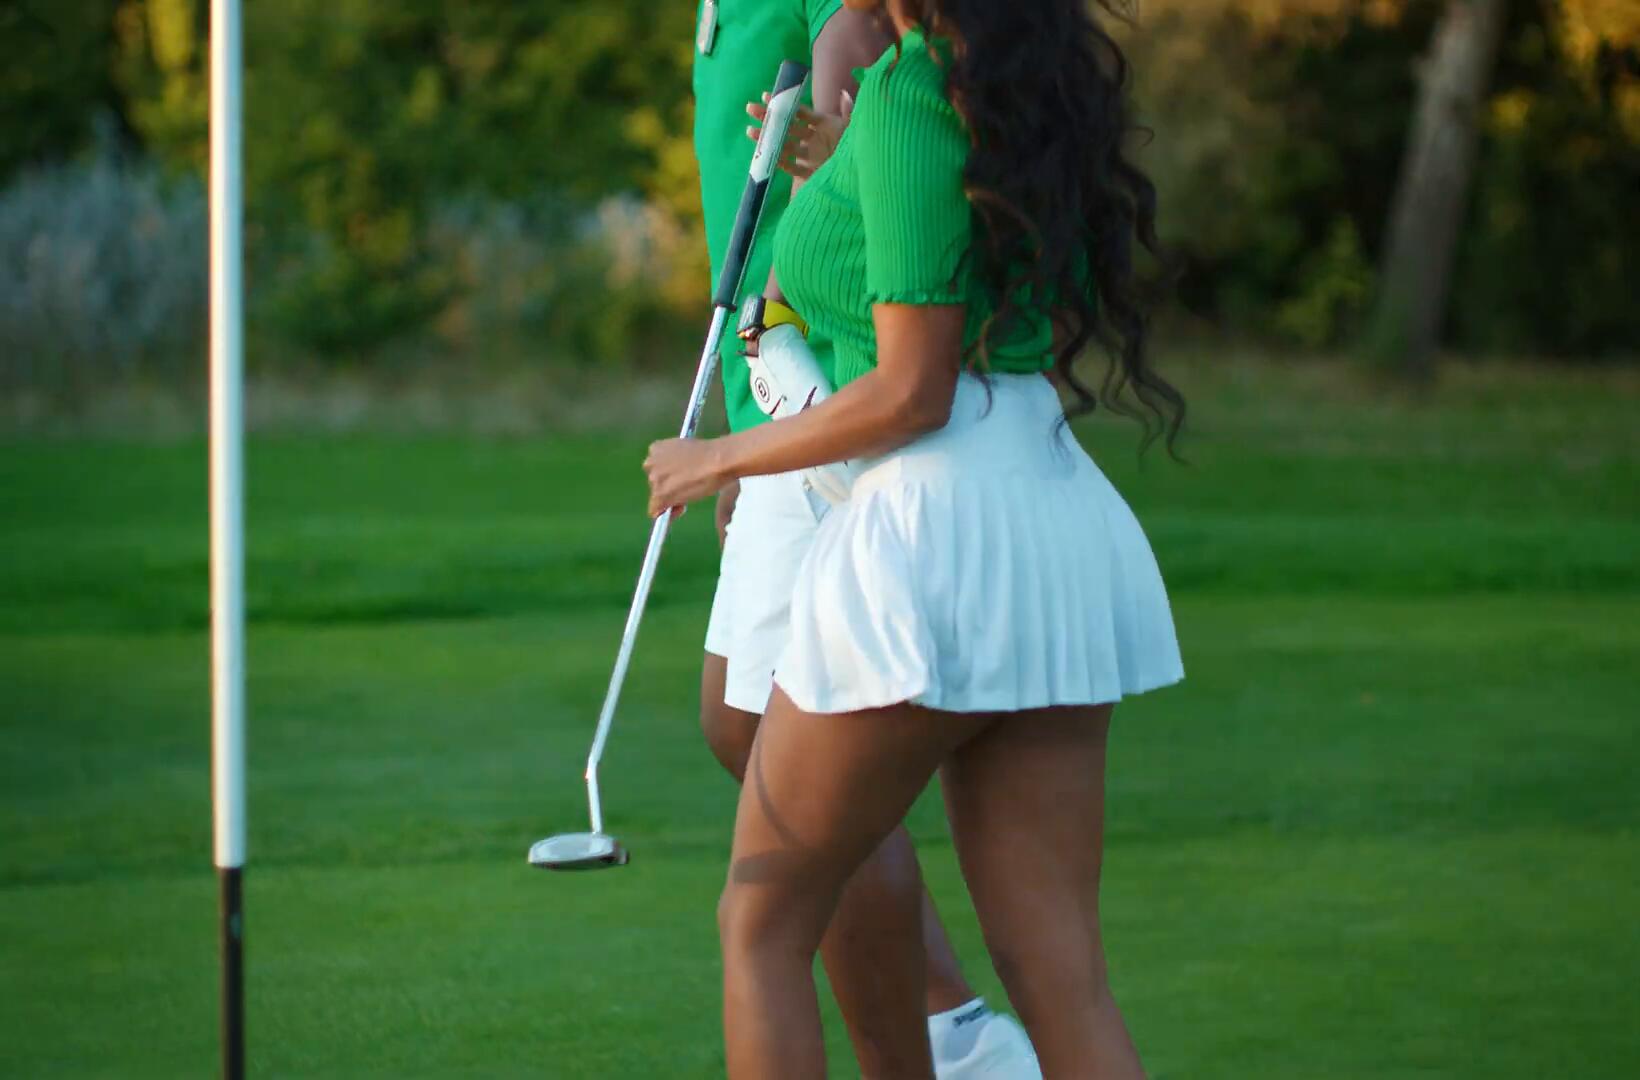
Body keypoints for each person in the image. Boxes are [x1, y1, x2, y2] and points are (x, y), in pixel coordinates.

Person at [652, 0, 1186, 1075]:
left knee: (762, 928)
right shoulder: (1014, 89)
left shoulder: (907, 88)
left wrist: (720, 458)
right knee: (1062, 978)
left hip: (932, 536)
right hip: (1053, 513)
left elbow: (911, 391)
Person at [690, 2, 1039, 1075]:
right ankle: (952, 1035)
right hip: (788, 385)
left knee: (768, 843)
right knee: (740, 723)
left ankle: (948, 1037)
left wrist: (756, 438)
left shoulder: (896, 70)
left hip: (832, 388)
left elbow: (853, 157)